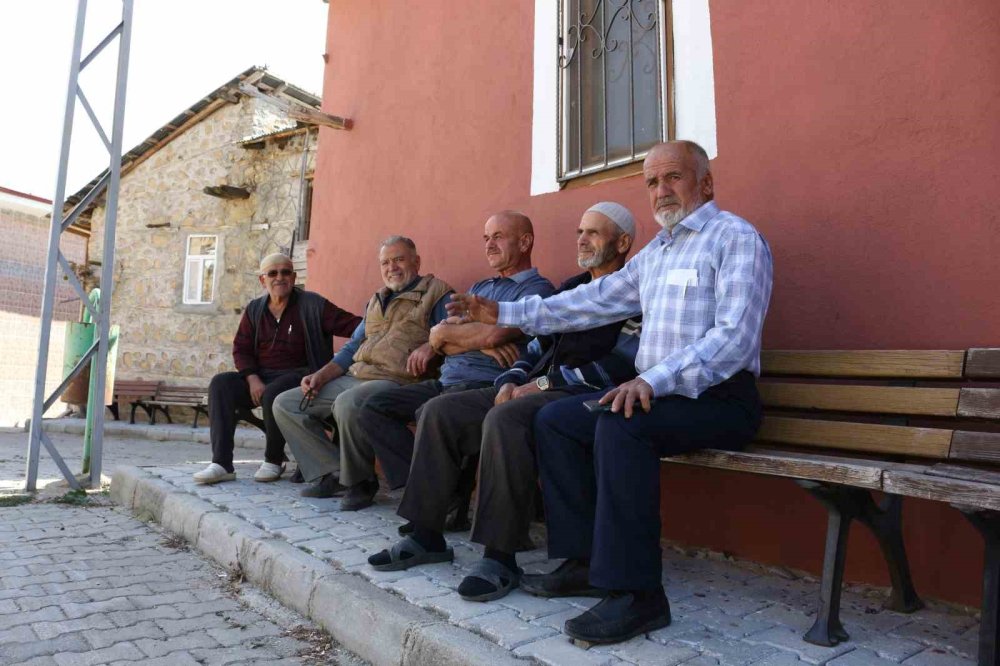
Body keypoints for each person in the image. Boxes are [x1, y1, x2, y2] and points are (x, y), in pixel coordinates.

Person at [449, 141, 773, 644]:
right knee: (555, 421)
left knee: (620, 425)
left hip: (718, 398)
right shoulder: (657, 254)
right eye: (651, 182)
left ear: (705, 184)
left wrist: (650, 380)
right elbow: (587, 303)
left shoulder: (736, 239)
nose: (661, 190)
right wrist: (504, 313)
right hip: (660, 395)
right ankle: (582, 562)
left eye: (673, 178)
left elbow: (734, 339)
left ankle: (638, 595)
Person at [367, 203, 642, 604]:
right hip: (536, 387)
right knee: (440, 412)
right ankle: (426, 534)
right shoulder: (572, 289)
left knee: (505, 418)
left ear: (623, 242)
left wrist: (542, 382)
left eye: (594, 233)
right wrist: (512, 377)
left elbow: (621, 363)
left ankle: (500, 556)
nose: (581, 240)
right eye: (580, 232)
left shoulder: (634, 291)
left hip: (582, 394)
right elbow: (537, 342)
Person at [346, 210, 554, 510]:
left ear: (525, 242)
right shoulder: (480, 288)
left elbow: (496, 334)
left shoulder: (536, 290)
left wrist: (462, 337)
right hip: (446, 380)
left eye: (498, 237)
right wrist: (468, 338)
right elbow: (438, 335)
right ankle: (440, 493)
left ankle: (429, 506)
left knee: (434, 411)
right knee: (372, 409)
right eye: (486, 238)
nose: (489, 245)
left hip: (485, 383)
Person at [270, 236, 454, 507]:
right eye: (385, 262)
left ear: (416, 261)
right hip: (356, 375)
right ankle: (332, 471)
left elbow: (453, 329)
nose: (392, 267)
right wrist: (322, 374)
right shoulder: (377, 300)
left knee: (348, 403)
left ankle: (361, 481)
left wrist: (431, 345)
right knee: (285, 403)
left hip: (397, 380)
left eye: (399, 259)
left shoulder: (437, 293)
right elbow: (352, 346)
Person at [192, 253, 361, 485]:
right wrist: (252, 378)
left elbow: (355, 326)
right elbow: (240, 349)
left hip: (302, 375)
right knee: (221, 384)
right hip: (261, 376)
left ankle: (273, 459)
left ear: (294, 277)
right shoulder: (254, 310)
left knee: (274, 392)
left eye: (285, 272)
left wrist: (382, 321)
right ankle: (221, 464)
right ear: (263, 280)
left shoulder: (313, 305)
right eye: (272, 273)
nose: (279, 277)